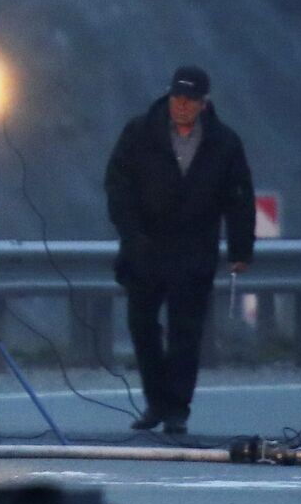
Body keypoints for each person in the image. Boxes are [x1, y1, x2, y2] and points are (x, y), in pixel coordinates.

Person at [105, 65, 254, 436]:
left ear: (204, 103)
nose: (182, 106)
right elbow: (117, 185)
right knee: (142, 326)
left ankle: (177, 409)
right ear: (169, 96)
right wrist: (130, 234)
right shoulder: (139, 133)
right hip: (145, 248)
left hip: (194, 250)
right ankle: (155, 401)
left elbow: (239, 198)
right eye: (177, 98)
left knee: (186, 333)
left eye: (190, 100)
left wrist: (240, 248)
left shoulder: (224, 143)